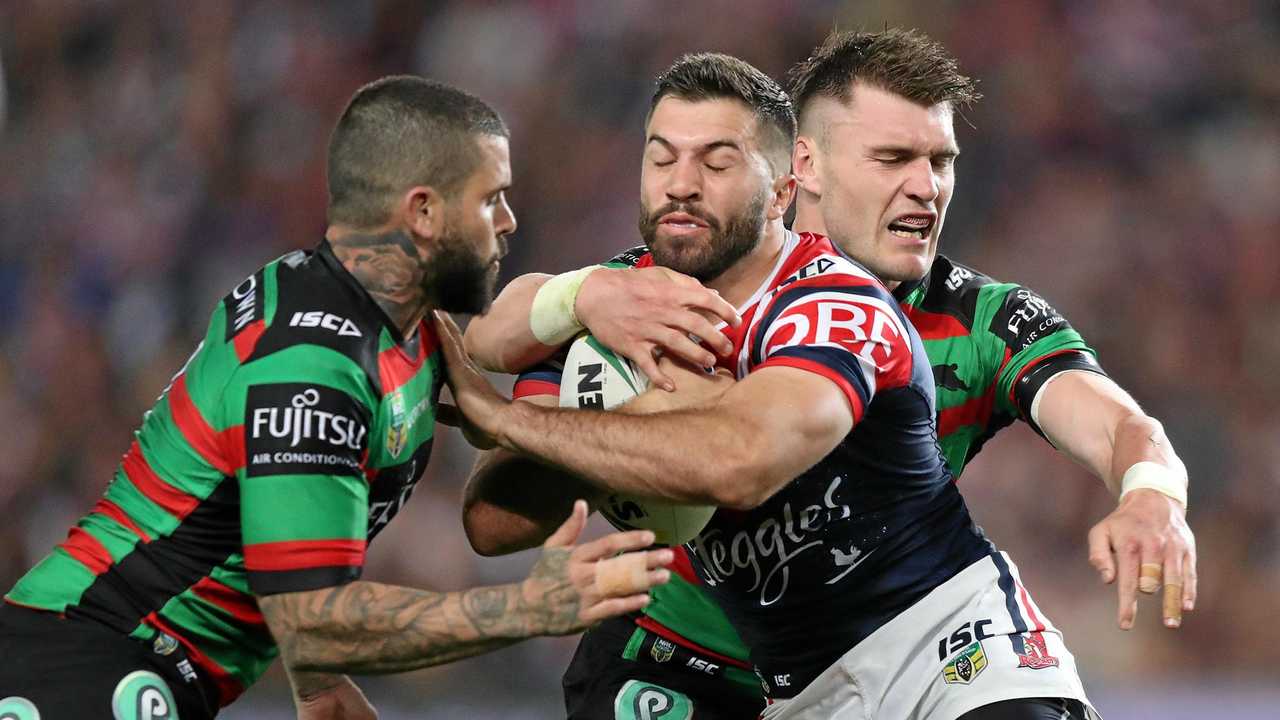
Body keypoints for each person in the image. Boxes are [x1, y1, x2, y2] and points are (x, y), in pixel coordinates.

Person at [464, 31, 1198, 720]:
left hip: (925, 643)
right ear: (802, 168)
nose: (926, 188)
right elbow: (494, 486)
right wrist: (575, 309)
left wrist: (1151, 491)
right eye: (892, 159)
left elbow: (1117, 424)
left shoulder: (962, 318)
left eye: (940, 162)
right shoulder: (641, 297)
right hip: (694, 658)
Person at [0, 75, 674, 720]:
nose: (508, 221)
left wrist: (316, 679)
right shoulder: (311, 368)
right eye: (490, 197)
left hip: (140, 671)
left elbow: (270, 525)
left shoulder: (407, 326)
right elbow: (313, 619)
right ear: (423, 212)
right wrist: (532, 606)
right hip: (83, 663)